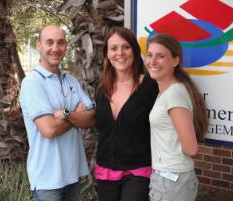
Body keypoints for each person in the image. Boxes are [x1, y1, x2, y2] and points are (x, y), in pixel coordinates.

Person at [20, 25, 96, 201]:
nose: (55, 48)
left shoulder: (70, 80)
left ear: (66, 47)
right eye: (49, 42)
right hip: (48, 179)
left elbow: (91, 118)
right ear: (39, 46)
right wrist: (76, 114)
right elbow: (49, 130)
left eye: (60, 43)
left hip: (72, 174)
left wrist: (66, 114)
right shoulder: (32, 83)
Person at [95, 26, 159, 201]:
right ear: (107, 54)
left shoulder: (150, 87)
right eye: (114, 48)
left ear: (135, 50)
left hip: (138, 170)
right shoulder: (102, 90)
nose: (120, 53)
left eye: (126, 47)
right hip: (106, 170)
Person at [145, 34, 208, 201]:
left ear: (175, 61)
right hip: (170, 179)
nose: (152, 61)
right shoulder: (167, 92)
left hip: (171, 181)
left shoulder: (173, 94)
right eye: (150, 55)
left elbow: (191, 148)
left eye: (161, 56)